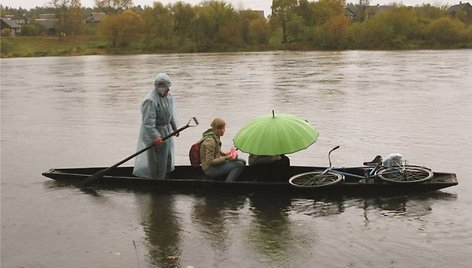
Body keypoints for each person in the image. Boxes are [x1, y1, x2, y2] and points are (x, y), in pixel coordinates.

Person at [133, 73, 179, 179]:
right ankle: (156, 180)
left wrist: (174, 128)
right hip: (153, 134)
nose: (168, 91)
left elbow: (170, 114)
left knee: (166, 158)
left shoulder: (168, 97)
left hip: (165, 131)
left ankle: (164, 177)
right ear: (160, 87)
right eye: (166, 88)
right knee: (156, 161)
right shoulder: (150, 101)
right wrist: (156, 137)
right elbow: (148, 124)